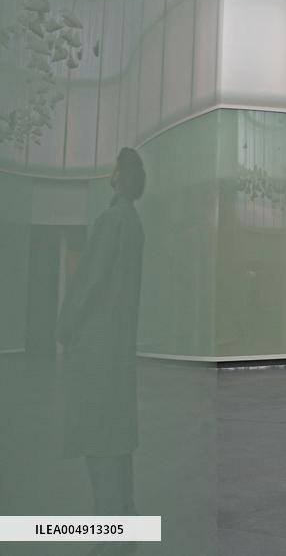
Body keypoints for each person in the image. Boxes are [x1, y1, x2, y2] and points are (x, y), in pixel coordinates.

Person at [56, 147, 145, 550]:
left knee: (97, 438)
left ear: (116, 178)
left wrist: (67, 324)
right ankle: (124, 517)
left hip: (97, 347)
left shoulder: (111, 221)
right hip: (118, 348)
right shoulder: (134, 223)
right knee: (117, 437)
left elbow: (90, 282)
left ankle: (109, 530)